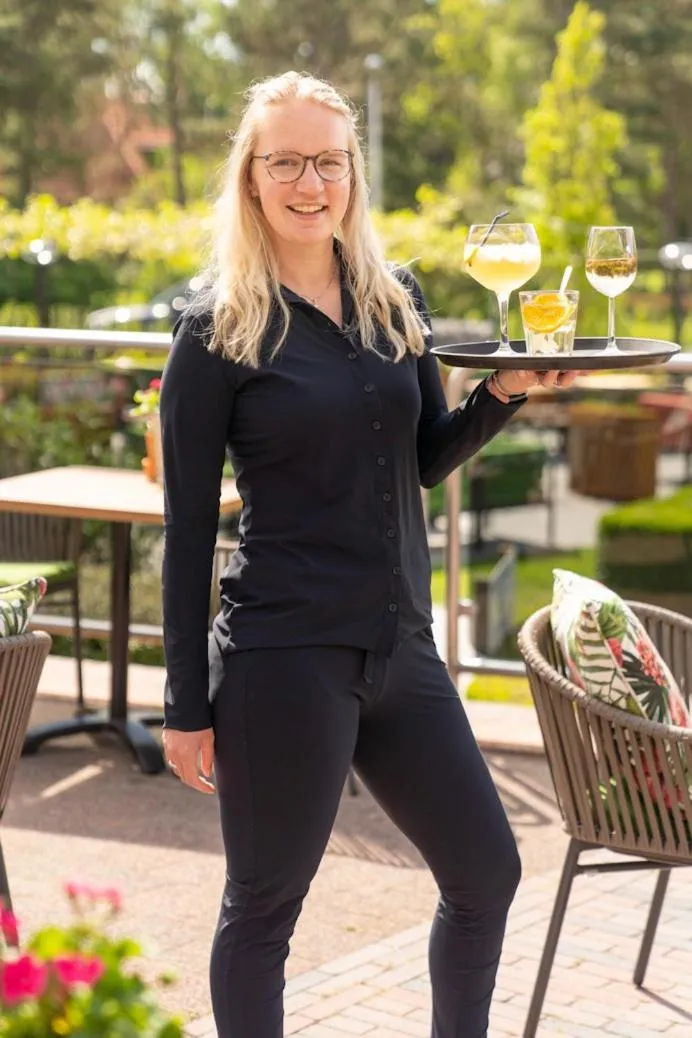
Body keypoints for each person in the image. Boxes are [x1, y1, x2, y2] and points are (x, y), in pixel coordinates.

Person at [159, 70, 579, 1038]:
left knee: (485, 872)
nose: (310, 183)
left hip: (400, 650)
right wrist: (184, 705)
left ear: (352, 172)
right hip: (284, 658)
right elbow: (187, 528)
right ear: (251, 178)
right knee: (264, 909)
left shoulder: (396, 301)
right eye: (287, 163)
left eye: (328, 162)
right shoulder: (214, 330)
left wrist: (502, 394)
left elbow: (427, 455)